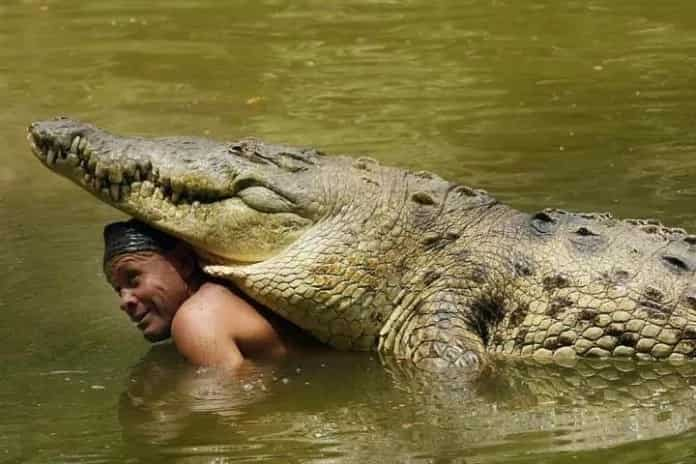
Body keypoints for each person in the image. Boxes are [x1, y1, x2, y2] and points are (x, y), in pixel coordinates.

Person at [103, 219, 309, 369]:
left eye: (133, 279)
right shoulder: (229, 295)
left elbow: (230, 415)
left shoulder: (196, 319)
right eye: (118, 289)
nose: (124, 300)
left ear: (183, 262)